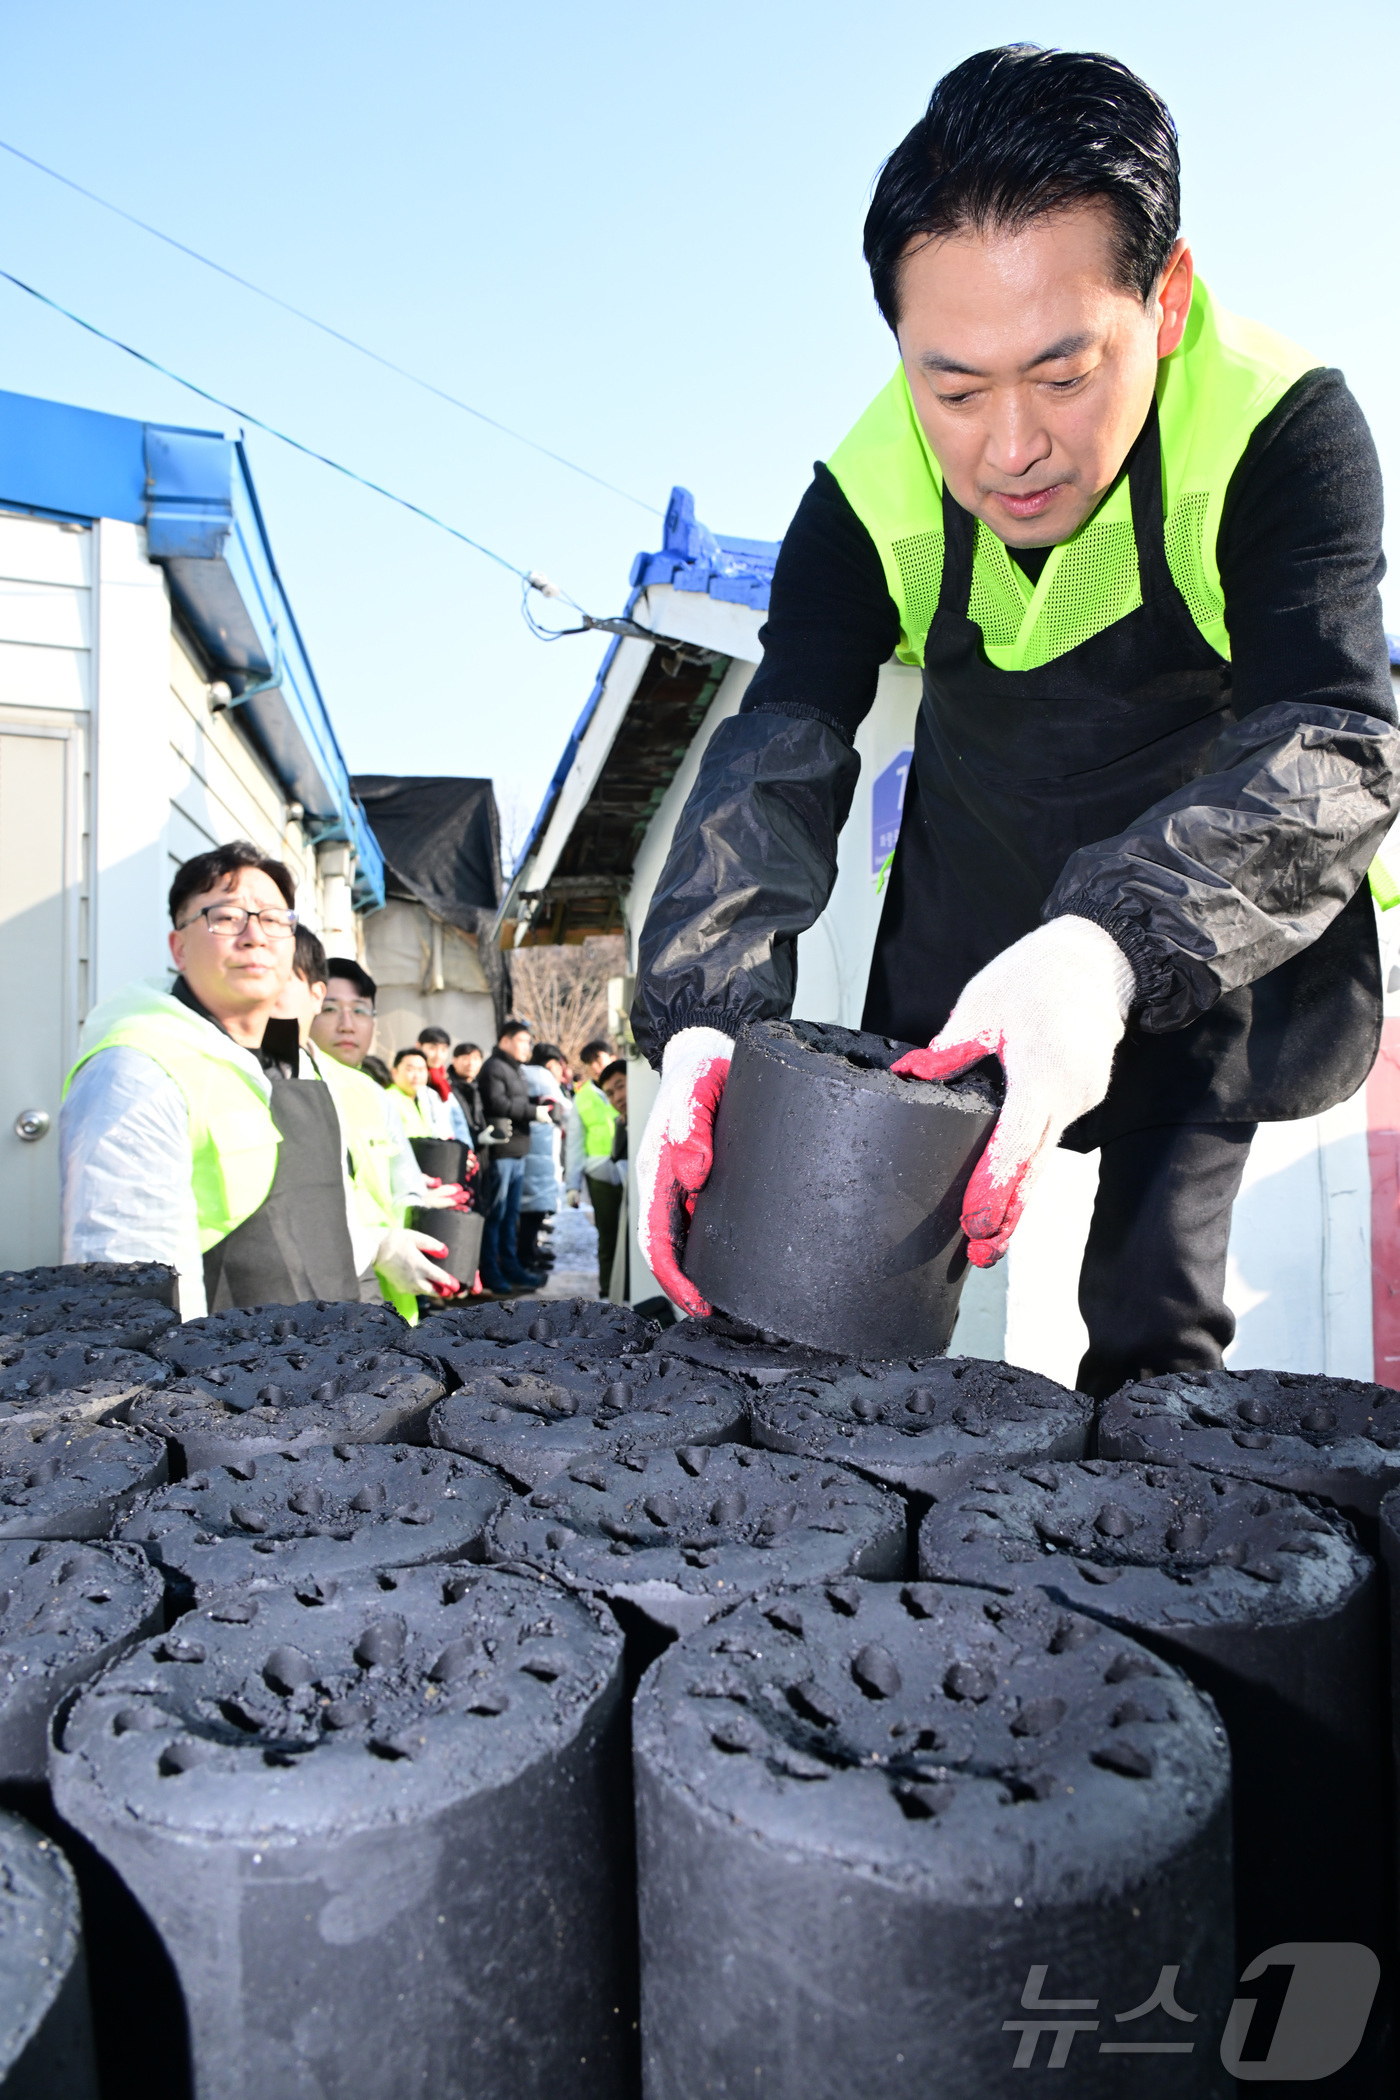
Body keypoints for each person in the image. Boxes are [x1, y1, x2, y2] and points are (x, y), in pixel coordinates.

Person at [632, 46, 1398, 1398]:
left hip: (1203, 903)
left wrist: (1105, 949)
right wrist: (702, 1009)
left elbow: (1336, 737)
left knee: (1155, 1316)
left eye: (1062, 373)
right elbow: (778, 746)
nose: (1009, 448)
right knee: (839, 1296)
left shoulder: (1275, 431)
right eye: (953, 389)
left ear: (1165, 299)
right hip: (976, 901)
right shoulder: (866, 492)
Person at [59, 841, 451, 1316]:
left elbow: (321, 1214)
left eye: (273, 919)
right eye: (226, 917)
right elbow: (128, 1292)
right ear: (179, 948)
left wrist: (381, 1247)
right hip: (224, 1359)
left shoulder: (294, 1061)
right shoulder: (138, 1070)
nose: (254, 936)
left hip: (334, 1345)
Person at [306, 953, 464, 1318]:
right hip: (328, 1296)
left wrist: (430, 1220)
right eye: (330, 1009)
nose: (347, 1025)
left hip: (390, 1295)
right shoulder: (288, 1086)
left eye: (360, 1011)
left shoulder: (371, 1094)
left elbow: (397, 1184)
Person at [478, 1019, 554, 1293]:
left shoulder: (515, 1069)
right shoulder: (494, 1068)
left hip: (517, 1150)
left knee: (510, 1215)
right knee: (496, 1215)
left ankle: (510, 1267)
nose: (527, 1046)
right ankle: (491, 1271)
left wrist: (539, 1105)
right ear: (505, 1041)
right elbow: (497, 1103)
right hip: (501, 1152)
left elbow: (516, 1102)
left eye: (528, 1042)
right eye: (522, 1041)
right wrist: (532, 1111)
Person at [518, 1044, 568, 1272]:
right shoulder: (543, 1077)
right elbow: (565, 1109)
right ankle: (528, 1255)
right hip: (541, 1152)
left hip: (530, 1149)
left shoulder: (523, 1074)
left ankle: (530, 1251)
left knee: (529, 1208)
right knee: (534, 1208)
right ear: (550, 1063)